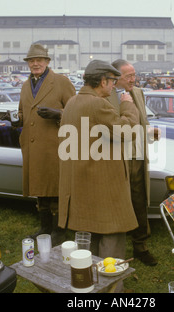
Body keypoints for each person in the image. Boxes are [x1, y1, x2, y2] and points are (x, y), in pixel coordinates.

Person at [58, 60, 139, 263]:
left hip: (83, 182)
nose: (113, 86)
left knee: (90, 243)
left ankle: (91, 285)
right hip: (104, 185)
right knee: (112, 235)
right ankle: (112, 287)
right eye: (112, 81)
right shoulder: (98, 104)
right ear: (102, 81)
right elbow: (127, 131)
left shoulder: (72, 102)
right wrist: (128, 106)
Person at [15, 43, 75, 246]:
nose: (35, 63)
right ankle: (44, 228)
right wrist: (17, 119)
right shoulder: (25, 85)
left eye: (39, 60)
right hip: (33, 148)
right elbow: (23, 112)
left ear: (47, 62)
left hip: (55, 147)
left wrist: (59, 115)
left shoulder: (61, 82)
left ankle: (59, 230)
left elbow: (77, 112)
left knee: (56, 190)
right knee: (40, 190)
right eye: (31, 60)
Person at [107, 59, 159, 266]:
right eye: (128, 76)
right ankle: (114, 247)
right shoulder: (105, 95)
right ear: (115, 77)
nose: (133, 79)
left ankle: (141, 246)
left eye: (134, 75)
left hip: (136, 155)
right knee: (118, 201)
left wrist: (149, 133)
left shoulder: (138, 92)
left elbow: (140, 121)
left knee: (139, 200)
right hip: (115, 158)